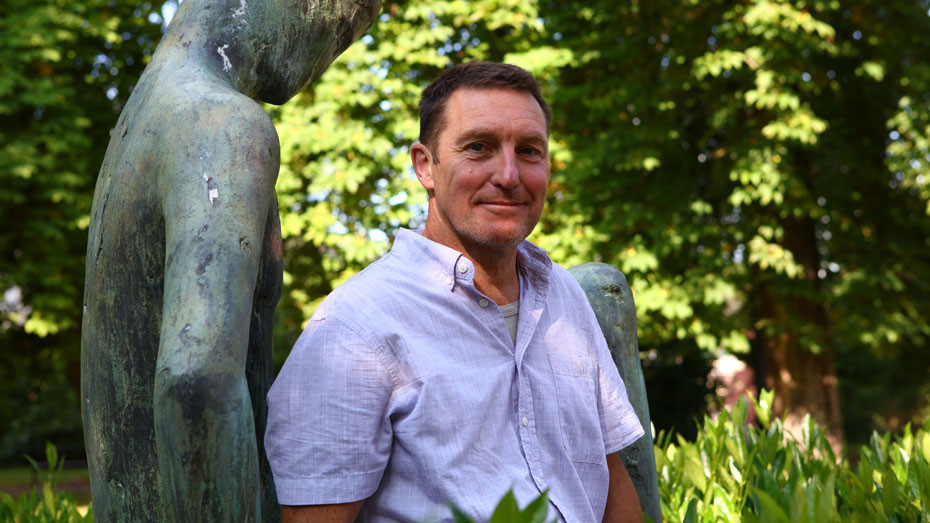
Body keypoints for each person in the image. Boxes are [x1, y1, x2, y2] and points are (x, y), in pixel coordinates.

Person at [265, 61, 645, 522]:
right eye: (478, 147)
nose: (508, 175)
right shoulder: (354, 330)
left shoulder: (564, 296)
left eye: (529, 151)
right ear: (425, 166)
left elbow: (610, 477)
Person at [80, 0, 379, 520]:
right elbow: (196, 379)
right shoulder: (222, 124)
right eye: (341, 27)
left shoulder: (144, 117)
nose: (327, 56)